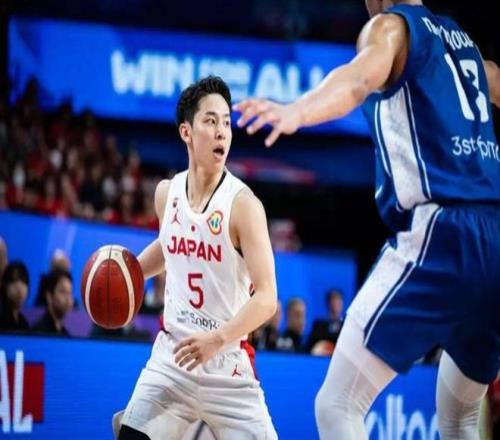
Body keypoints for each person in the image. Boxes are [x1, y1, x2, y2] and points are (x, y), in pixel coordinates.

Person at [234, 1, 500, 438]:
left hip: (443, 233)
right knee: (461, 416)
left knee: (337, 405)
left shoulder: (391, 27)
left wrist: (296, 111)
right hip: (494, 234)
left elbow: (356, 80)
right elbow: (492, 78)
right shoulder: (461, 42)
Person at [113, 76, 278, 440]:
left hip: (227, 367)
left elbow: (267, 298)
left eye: (227, 123)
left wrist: (216, 339)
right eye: (211, 121)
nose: (222, 132)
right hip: (173, 359)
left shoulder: (244, 206)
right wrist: (130, 273)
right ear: (186, 132)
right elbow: (171, 245)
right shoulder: (166, 193)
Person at [32, 269, 74, 335]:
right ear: (49, 296)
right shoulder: (38, 333)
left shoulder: (66, 335)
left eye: (70, 293)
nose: (68, 298)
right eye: (63, 292)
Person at [307, 289, 344, 354]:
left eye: (338, 300)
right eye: (333, 300)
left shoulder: (345, 325)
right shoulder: (319, 325)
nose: (336, 303)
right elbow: (312, 345)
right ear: (328, 303)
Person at [0, 261, 30, 331]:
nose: (19, 288)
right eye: (14, 281)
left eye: (24, 281)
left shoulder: (23, 322)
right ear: (5, 287)